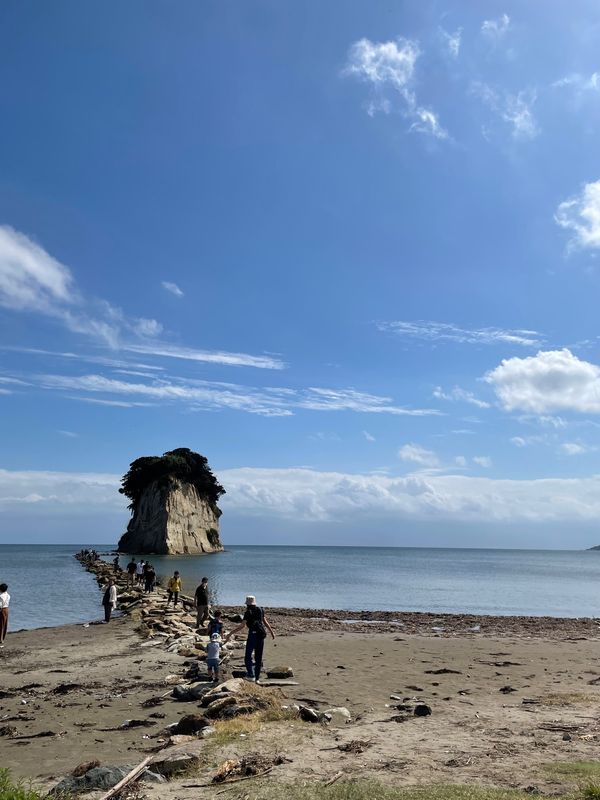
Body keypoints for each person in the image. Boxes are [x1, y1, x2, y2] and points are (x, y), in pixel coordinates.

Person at [225, 595, 274, 683]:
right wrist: (271, 631)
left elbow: (242, 626)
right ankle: (257, 679)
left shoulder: (248, 612)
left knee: (248, 656)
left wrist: (231, 633)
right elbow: (265, 622)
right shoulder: (261, 610)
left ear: (247, 604)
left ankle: (251, 675)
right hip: (261, 635)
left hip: (252, 635)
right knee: (258, 657)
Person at [0, 583, 10, 647]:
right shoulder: (8, 595)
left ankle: (0, 640)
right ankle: (2, 639)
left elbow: (0, 605)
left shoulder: (0, 596)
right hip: (6, 609)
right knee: (5, 624)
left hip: (2, 610)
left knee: (0, 625)